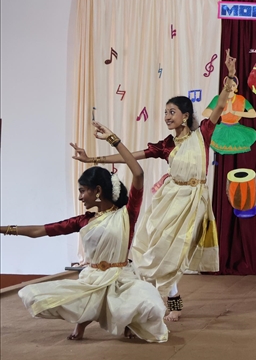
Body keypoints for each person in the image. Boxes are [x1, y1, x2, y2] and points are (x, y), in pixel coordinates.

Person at [72, 51, 238, 321]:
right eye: (165, 113)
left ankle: (170, 301)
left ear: (185, 115)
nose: (167, 116)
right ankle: (172, 301)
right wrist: (93, 158)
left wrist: (230, 76)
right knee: (155, 248)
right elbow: (132, 156)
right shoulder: (166, 145)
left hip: (194, 199)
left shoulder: (202, 134)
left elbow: (220, 105)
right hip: (169, 198)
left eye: (172, 112)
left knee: (176, 251)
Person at [1, 123, 168, 342]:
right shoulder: (83, 221)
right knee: (40, 295)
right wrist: (3, 229)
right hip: (92, 278)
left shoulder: (127, 213)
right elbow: (39, 230)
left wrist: (113, 140)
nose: (80, 197)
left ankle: (129, 320)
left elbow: (138, 173)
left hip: (122, 278)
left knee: (150, 305)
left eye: (82, 191)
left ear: (97, 190)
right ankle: (85, 322)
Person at [202, 76, 256, 155]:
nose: (231, 87)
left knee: (253, 134)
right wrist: (224, 112)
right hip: (220, 128)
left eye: (233, 85)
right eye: (228, 85)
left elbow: (253, 114)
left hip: (236, 127)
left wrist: (233, 112)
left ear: (236, 87)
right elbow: (205, 113)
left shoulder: (241, 99)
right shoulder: (218, 98)